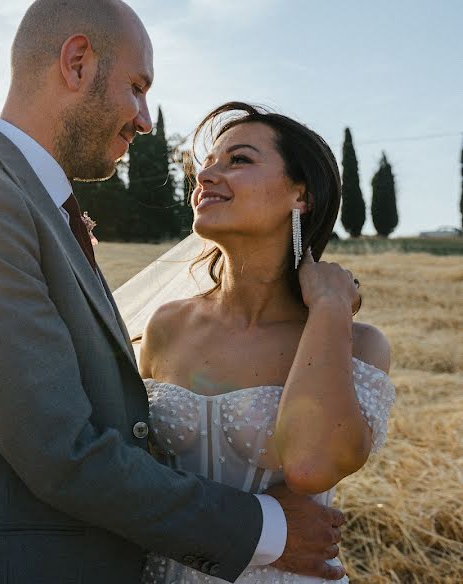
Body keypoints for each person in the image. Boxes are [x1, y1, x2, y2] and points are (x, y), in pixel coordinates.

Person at [0, 0, 353, 582]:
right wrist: (269, 529)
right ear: (77, 63)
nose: (146, 121)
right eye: (138, 88)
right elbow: (62, 450)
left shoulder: (33, 205)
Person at [136, 102, 394, 583]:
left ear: (301, 195)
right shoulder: (166, 326)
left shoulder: (358, 345)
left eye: (238, 160)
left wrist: (330, 309)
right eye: (207, 164)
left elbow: (311, 467)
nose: (207, 176)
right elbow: (126, 475)